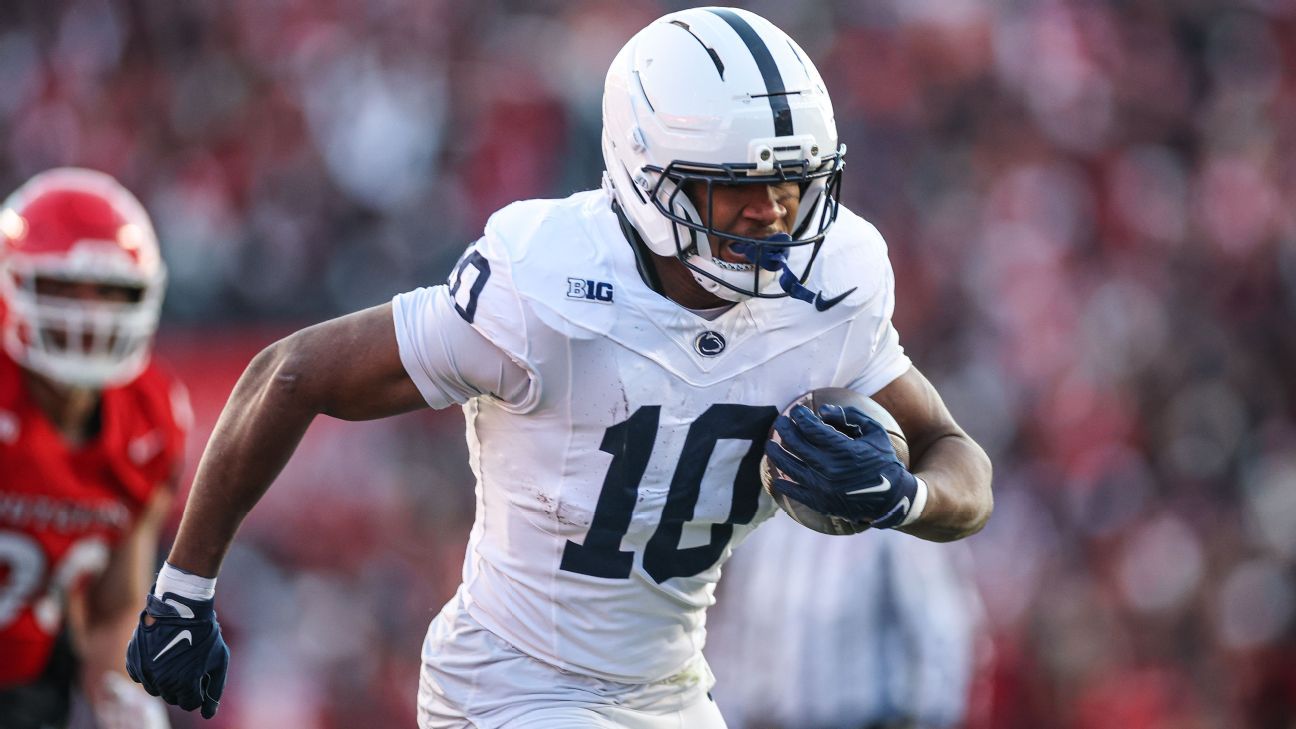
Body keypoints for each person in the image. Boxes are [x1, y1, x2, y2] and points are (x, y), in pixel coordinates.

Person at [126, 7, 993, 728]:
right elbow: (289, 372)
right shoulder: (547, 282)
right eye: (737, 185)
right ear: (650, 177)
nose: (772, 212)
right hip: (511, 684)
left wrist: (906, 498)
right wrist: (183, 590)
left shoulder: (833, 285)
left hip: (671, 691)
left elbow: (957, 458)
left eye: (794, 183)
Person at [0, 168, 182, 729]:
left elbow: (113, 607)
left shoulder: (150, 420)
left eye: (110, 291)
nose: (87, 313)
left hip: (28, 689)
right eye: (62, 286)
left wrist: (121, 694)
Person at [705, 512, 985, 729]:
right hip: (776, 720)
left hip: (867, 719)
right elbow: (739, 630)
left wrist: (930, 717)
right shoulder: (765, 528)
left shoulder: (890, 521)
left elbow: (940, 629)